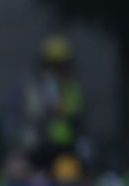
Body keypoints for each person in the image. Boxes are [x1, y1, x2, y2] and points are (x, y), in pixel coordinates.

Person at [24, 35, 85, 168]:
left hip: (67, 144)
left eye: (59, 65)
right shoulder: (37, 87)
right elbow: (32, 116)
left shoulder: (72, 87)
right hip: (43, 145)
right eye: (51, 65)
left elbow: (76, 114)